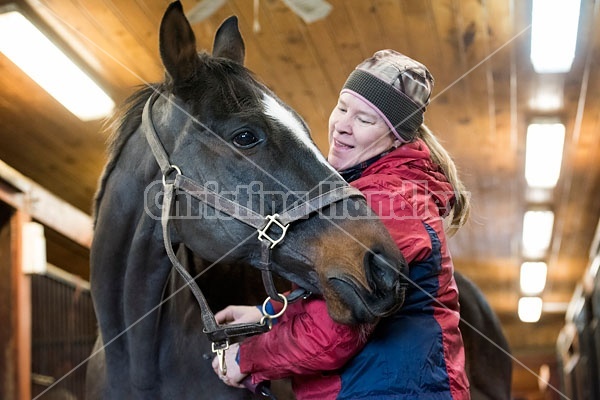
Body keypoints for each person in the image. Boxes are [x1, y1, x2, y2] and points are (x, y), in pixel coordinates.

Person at [212, 49, 471, 399]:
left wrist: (246, 358)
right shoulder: (359, 192)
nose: (342, 126)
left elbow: (336, 329)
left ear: (396, 138)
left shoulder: (388, 202)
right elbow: (325, 290)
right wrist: (264, 314)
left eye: (365, 120)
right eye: (343, 107)